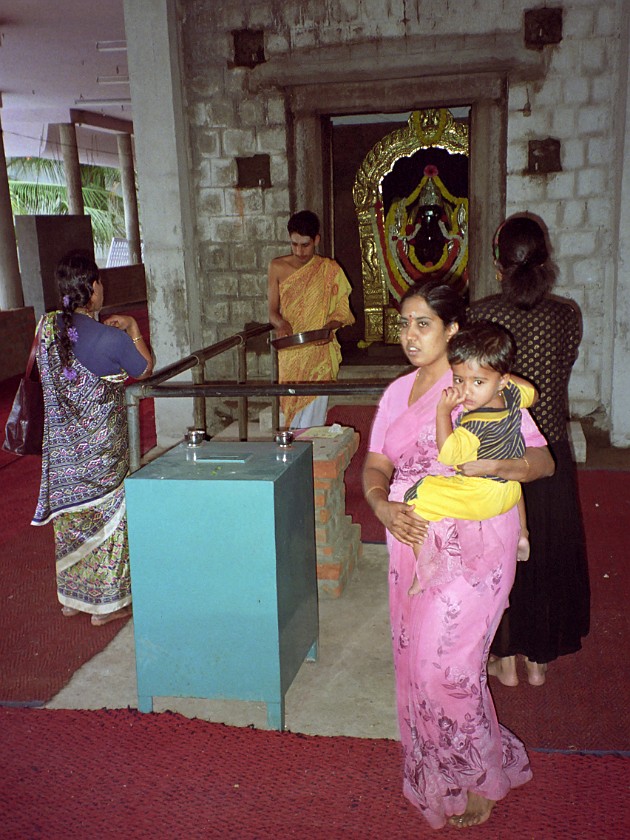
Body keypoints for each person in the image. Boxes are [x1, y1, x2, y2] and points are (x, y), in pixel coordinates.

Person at [362, 280, 554, 829]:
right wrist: (380, 507)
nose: (409, 335)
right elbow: (376, 464)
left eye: (423, 324)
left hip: (475, 546)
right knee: (417, 670)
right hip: (412, 540)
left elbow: (543, 463)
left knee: (446, 670)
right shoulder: (398, 393)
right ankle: (444, 770)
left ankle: (481, 775)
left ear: (452, 329)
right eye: (403, 323)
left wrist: (498, 467)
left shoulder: (479, 383)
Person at [468, 214, 590, 687]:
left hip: (495, 451)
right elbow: (565, 365)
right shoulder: (567, 314)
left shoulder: (479, 315)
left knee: (498, 553)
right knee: (546, 551)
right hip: (550, 452)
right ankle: (538, 659)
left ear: (498, 265)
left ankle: (503, 656)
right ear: (546, 263)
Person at [31, 251, 153, 626]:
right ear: (93, 288)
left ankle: (72, 599)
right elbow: (145, 371)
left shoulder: (46, 327)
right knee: (109, 521)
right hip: (101, 451)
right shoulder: (111, 339)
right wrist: (133, 330)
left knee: (71, 522)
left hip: (61, 454)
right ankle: (108, 606)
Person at [403, 322, 536, 595]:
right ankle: (523, 534)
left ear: (501, 379)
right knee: (513, 478)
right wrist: (498, 376)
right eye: (459, 380)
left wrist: (443, 411)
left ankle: (425, 568)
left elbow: (449, 453)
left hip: (481, 497)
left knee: (417, 494)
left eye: (478, 382)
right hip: (509, 492)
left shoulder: (474, 424)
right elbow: (532, 395)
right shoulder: (510, 395)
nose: (467, 391)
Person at [267, 210, 354, 429]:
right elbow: (272, 312)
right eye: (294, 244)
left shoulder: (329, 269)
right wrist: (281, 324)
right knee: (291, 406)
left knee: (313, 413)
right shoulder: (277, 267)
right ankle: (296, 453)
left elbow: (342, 312)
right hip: (291, 349)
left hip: (318, 349)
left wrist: (328, 329)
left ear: (316, 240)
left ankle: (312, 453)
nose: (299, 251)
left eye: (305, 245)